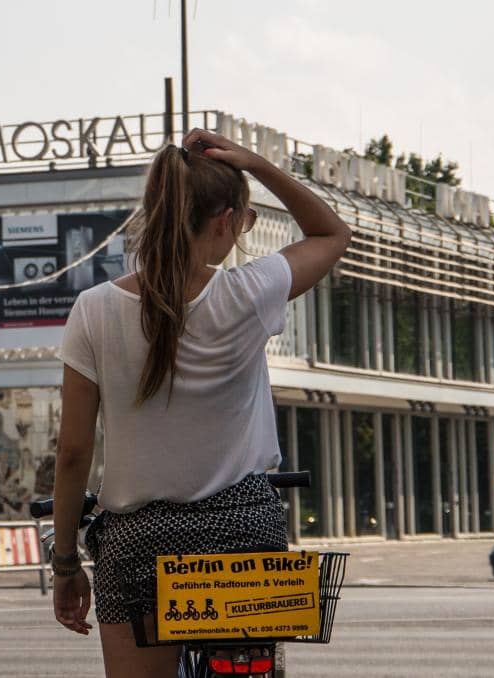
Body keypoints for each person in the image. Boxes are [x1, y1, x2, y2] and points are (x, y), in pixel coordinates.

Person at [50, 128, 351, 676]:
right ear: (224, 220)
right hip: (242, 534)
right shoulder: (248, 292)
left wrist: (66, 562)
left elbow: (73, 453)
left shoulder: (92, 311)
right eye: (243, 223)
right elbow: (331, 232)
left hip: (141, 543)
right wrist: (257, 163)